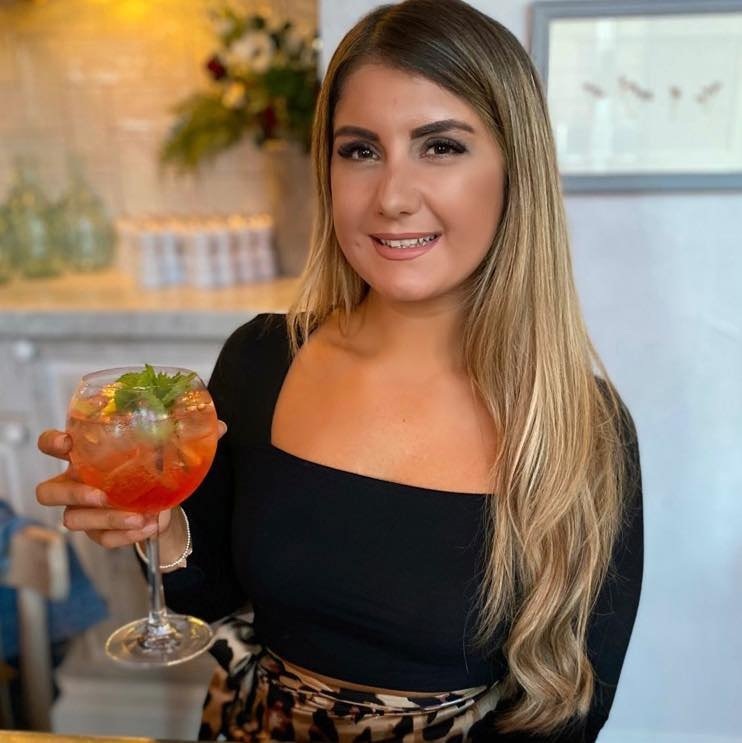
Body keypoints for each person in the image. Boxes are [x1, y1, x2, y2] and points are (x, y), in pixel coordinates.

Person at [35, 0, 644, 740]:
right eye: (359, 150)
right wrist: (158, 531)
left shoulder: (581, 425)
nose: (392, 197)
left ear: (516, 170)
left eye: (440, 146)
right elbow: (210, 595)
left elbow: (570, 713)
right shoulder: (262, 359)